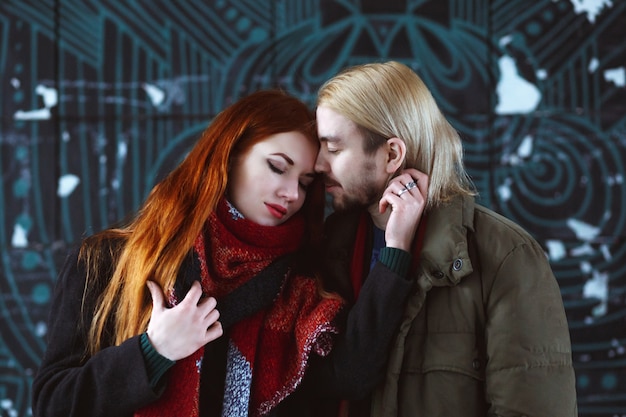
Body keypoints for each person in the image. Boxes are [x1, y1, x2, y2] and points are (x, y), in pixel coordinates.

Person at [32, 90, 413, 417]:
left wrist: (395, 249)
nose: (292, 194)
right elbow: (53, 403)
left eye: (305, 183)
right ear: (229, 156)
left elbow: (352, 374)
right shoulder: (107, 262)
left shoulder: (298, 287)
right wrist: (154, 352)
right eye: (277, 167)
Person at [313, 61, 578, 417]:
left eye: (333, 148)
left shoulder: (505, 256)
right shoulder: (328, 251)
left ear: (391, 154)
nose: (317, 164)